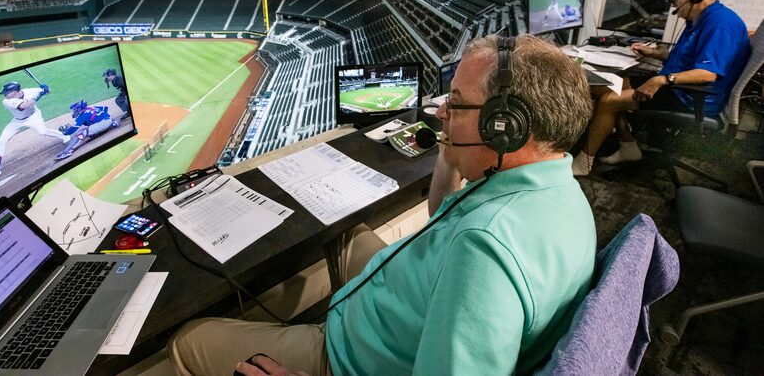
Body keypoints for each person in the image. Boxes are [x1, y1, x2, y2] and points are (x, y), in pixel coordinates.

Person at [167, 35, 596, 375]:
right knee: (345, 231)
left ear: (504, 127)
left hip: (349, 358)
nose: (442, 112)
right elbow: (442, 218)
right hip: (403, 309)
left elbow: (472, 253)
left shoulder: (484, 250)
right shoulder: (556, 188)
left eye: (457, 102)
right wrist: (452, 154)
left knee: (188, 339)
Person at [572, 0, 751, 176]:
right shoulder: (700, 18)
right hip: (677, 86)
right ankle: (629, 147)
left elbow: (708, 73)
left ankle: (583, 164)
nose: (673, 3)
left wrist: (662, 79)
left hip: (692, 97)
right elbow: (688, 58)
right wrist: (656, 53)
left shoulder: (720, 25)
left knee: (609, 101)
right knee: (612, 84)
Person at [0, 81, 69, 187]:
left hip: (33, 116)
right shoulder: (6, 101)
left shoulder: (30, 91)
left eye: (6, 92)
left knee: (43, 131)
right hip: (17, 121)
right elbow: (23, 106)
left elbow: (48, 91)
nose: (4, 94)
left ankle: (65, 136)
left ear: (14, 92)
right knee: (1, 141)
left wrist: (45, 89)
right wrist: (40, 95)